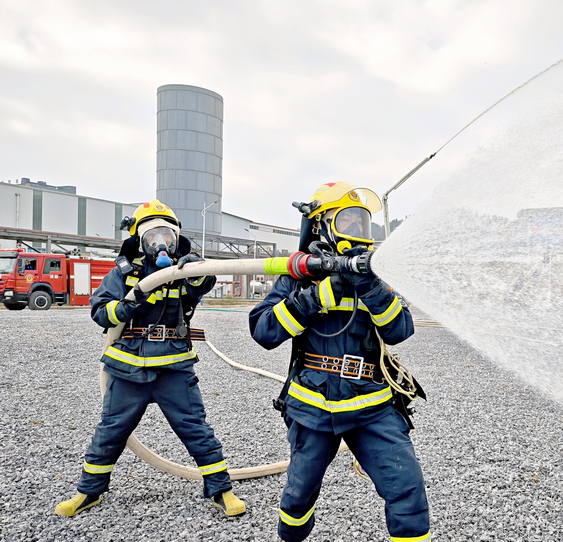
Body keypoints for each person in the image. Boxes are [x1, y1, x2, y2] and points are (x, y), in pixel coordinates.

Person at [249, 182, 431, 542]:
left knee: (406, 488)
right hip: (312, 406)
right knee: (299, 494)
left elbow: (400, 330)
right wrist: (313, 298)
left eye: (362, 223)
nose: (357, 232)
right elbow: (263, 331)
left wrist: (371, 288)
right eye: (347, 222)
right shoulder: (298, 276)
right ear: (320, 226)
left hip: (372, 404)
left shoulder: (378, 277)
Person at [54, 199, 246, 518]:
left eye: (168, 235)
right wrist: (125, 306)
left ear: (176, 238)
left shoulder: (183, 270)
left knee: (196, 429)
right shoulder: (123, 275)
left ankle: (221, 490)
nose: (162, 242)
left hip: (173, 367)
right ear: (140, 240)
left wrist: (196, 269)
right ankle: (88, 492)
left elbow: (204, 283)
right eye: (153, 235)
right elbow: (100, 311)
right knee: (111, 432)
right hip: (128, 367)